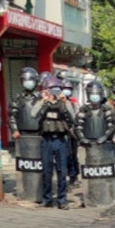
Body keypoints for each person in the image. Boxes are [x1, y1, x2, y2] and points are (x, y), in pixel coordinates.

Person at [37, 77, 75, 209]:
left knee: (62, 171)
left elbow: (74, 117)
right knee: (46, 171)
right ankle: (47, 199)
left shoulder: (64, 103)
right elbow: (33, 114)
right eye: (52, 90)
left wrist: (66, 102)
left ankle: (62, 199)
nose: (54, 93)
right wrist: (43, 100)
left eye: (57, 90)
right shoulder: (44, 103)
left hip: (60, 140)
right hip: (46, 140)